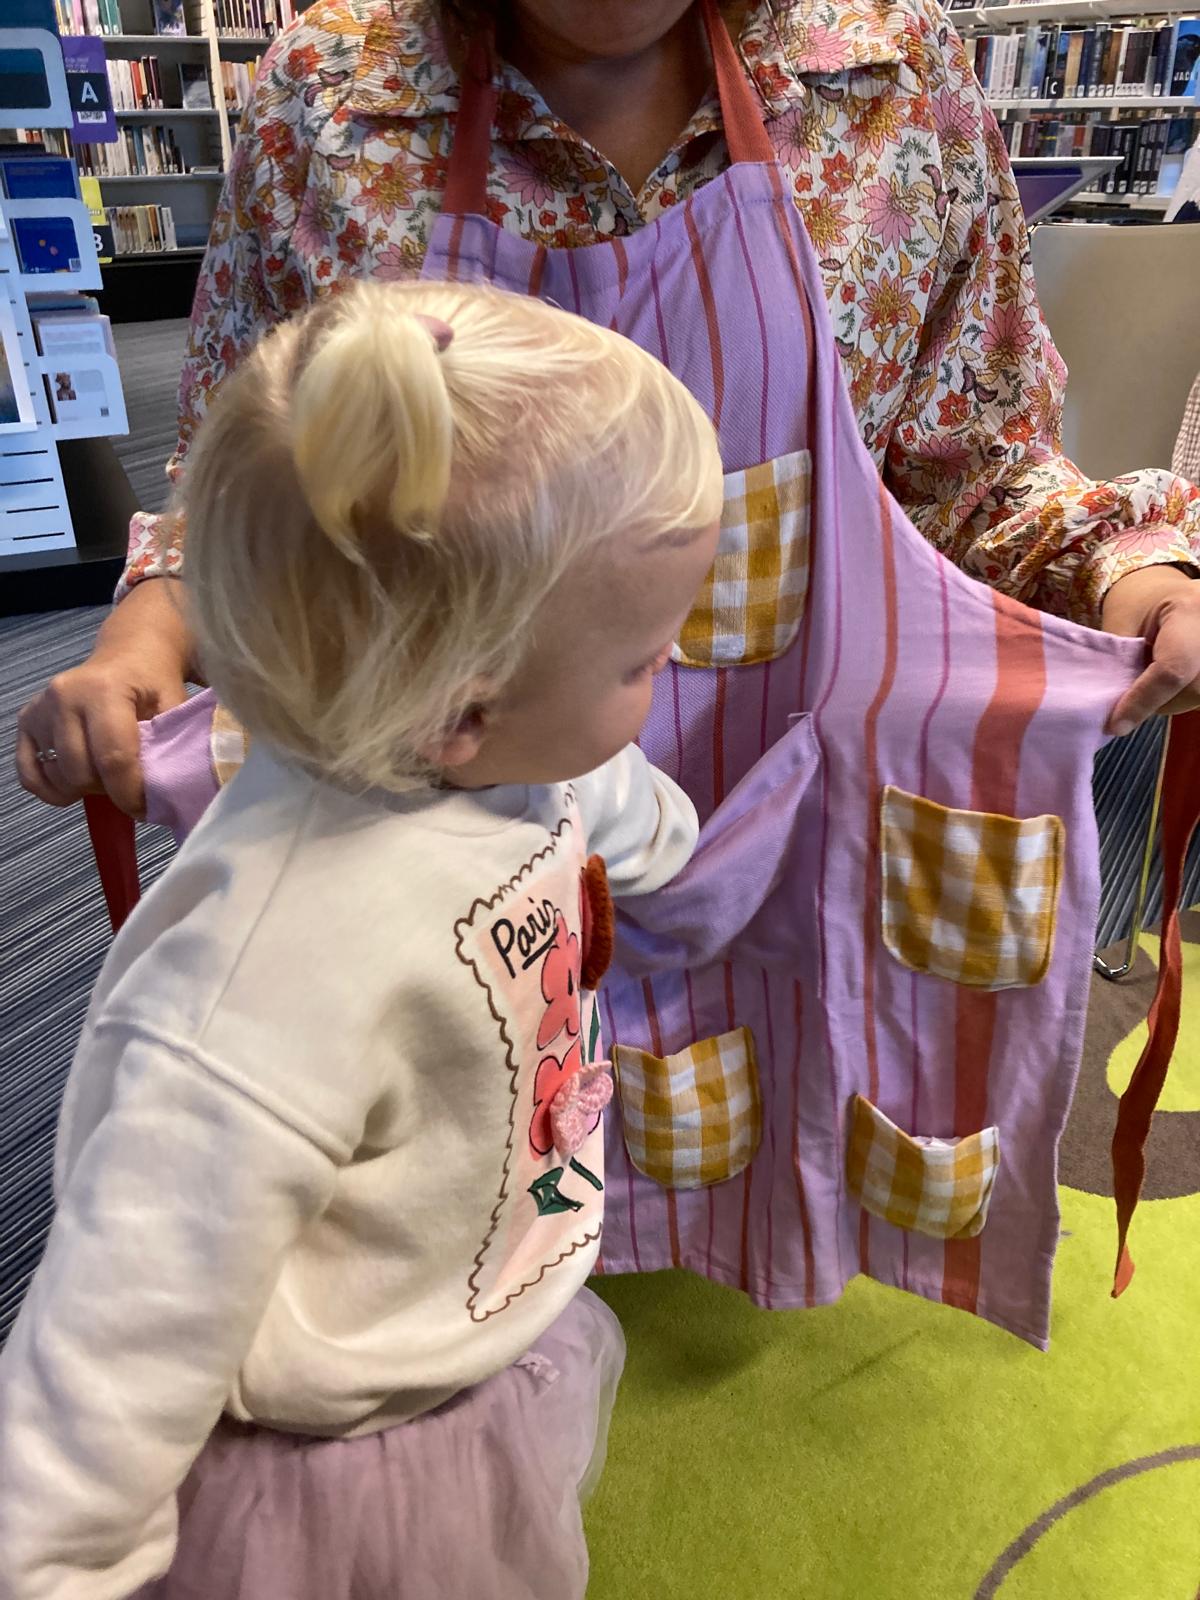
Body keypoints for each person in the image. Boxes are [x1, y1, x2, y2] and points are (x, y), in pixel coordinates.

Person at [14, 0, 1200, 814]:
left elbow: (975, 466)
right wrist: (148, 637)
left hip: (798, 819)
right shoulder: (329, 101)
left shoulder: (896, 78)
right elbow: (252, 487)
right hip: (433, 844)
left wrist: (1132, 577)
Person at [0, 279, 723, 1599]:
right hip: (339, 1467)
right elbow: (107, 1358)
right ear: (463, 714)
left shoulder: (507, 759)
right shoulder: (261, 987)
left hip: (465, 1310)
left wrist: (704, 867)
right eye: (641, 661)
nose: (669, 670)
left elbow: (612, 811)